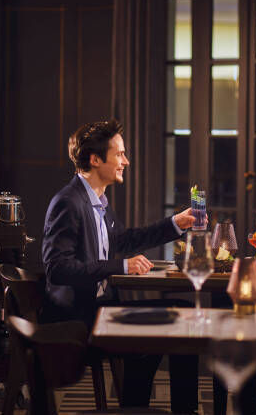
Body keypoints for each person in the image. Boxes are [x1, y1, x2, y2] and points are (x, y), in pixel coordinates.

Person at [41, 119, 198, 413]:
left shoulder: (97, 201)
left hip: (102, 310)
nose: (126, 161)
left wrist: (175, 223)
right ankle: (139, 408)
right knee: (165, 329)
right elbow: (57, 268)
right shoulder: (68, 202)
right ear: (95, 159)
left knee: (183, 313)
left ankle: (167, 409)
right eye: (120, 154)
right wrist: (121, 267)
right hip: (79, 320)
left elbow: (123, 241)